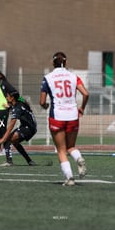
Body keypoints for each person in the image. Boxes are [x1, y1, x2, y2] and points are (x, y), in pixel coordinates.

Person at [40, 52, 89, 186]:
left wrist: (45, 106)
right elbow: (85, 93)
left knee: (61, 150)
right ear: (65, 63)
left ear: (52, 63)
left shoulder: (48, 78)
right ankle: (78, 158)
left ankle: (69, 178)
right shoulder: (74, 77)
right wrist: (82, 108)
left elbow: (42, 101)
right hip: (73, 115)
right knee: (71, 146)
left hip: (57, 116)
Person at [0, 90, 37, 167]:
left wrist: (3, 139)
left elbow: (11, 124)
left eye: (7, 96)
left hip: (28, 128)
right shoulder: (19, 103)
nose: (6, 98)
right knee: (15, 142)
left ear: (12, 98)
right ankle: (29, 161)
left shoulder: (17, 108)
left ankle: (9, 162)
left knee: (7, 139)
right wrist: (10, 107)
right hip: (31, 127)